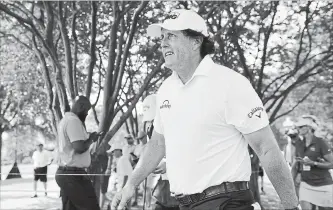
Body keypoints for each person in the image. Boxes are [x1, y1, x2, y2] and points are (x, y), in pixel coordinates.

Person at [111, 9, 299, 210]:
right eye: (162, 37)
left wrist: (291, 207)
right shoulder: (166, 89)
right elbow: (157, 143)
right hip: (183, 204)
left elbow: (267, 148)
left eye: (172, 36)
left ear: (196, 42)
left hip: (228, 202)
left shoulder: (230, 83)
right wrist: (131, 183)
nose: (163, 43)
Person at [56, 95, 101, 210]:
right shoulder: (73, 121)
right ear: (81, 106)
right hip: (73, 175)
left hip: (66, 173)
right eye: (87, 110)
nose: (87, 114)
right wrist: (91, 139)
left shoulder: (64, 121)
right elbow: (79, 148)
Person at [293, 115, 333, 210]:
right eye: (298, 127)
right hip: (305, 184)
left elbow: (332, 164)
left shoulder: (321, 143)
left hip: (323, 185)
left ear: (309, 127)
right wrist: (291, 182)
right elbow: (296, 165)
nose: (299, 129)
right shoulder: (298, 143)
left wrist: (314, 163)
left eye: (301, 126)